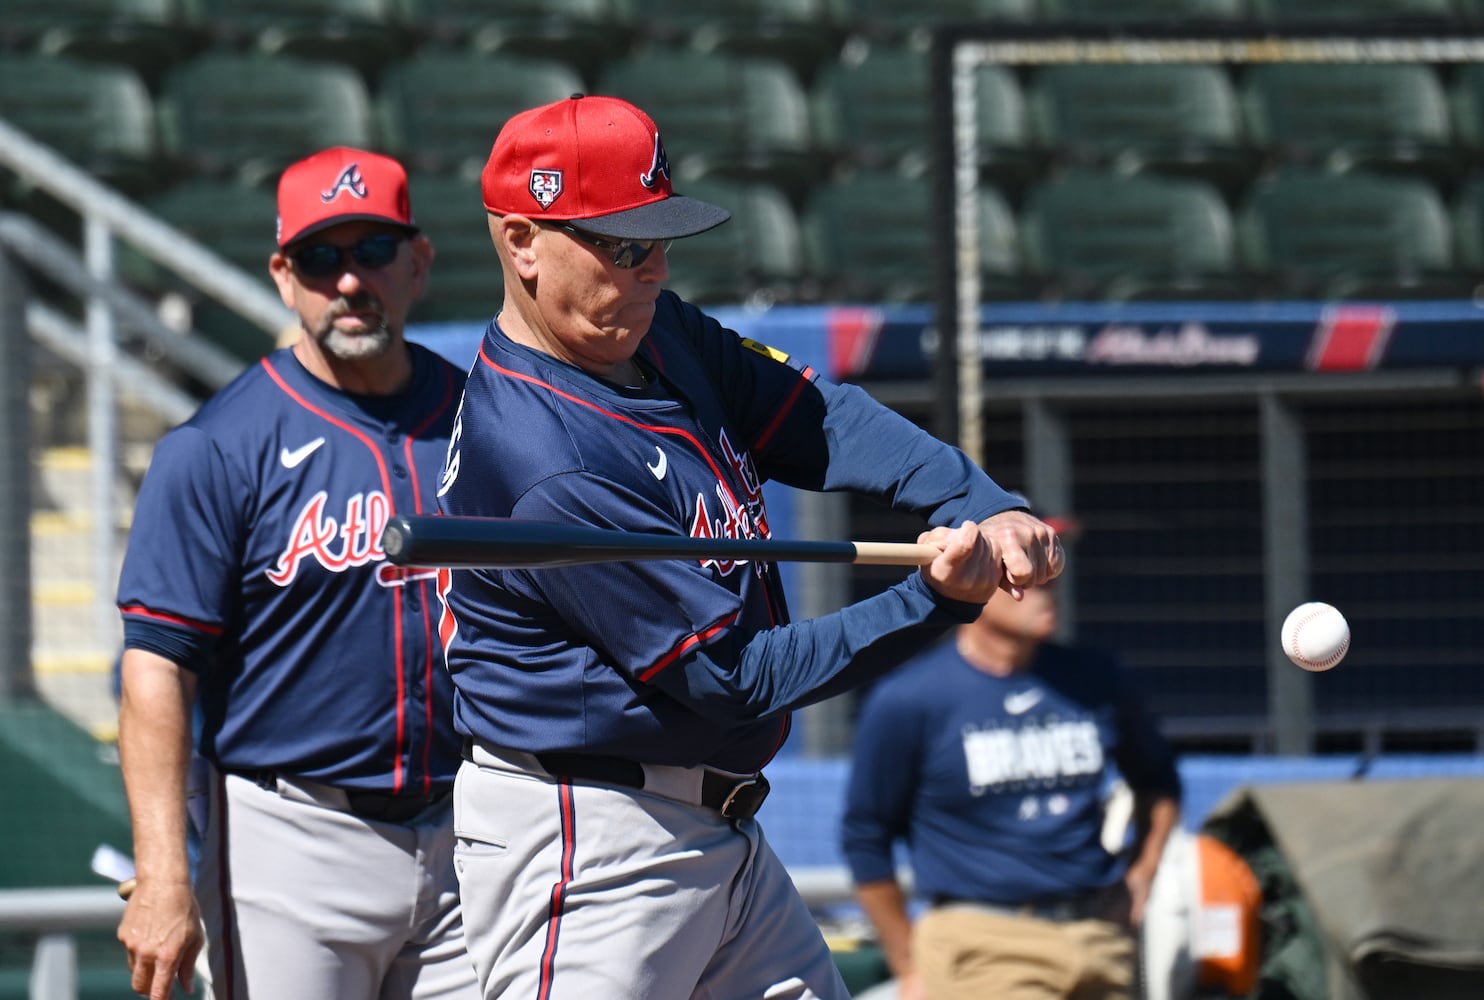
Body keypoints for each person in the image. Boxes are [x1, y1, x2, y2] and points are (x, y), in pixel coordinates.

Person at [435, 93, 1065, 1000]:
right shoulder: (547, 460)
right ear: (523, 242)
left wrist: (981, 500)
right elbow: (735, 682)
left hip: (716, 831)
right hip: (590, 842)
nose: (651, 268)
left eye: (659, 240)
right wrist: (934, 600)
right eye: (620, 245)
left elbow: (819, 418)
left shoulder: (659, 332)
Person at [114, 147, 479, 1000]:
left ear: (417, 263)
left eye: (372, 252)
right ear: (284, 277)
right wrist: (164, 873)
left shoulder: (484, 420)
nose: (349, 281)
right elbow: (155, 666)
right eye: (321, 257)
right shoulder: (217, 446)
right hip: (294, 838)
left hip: (475, 828)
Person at [840, 548, 1183, 1000]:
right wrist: (908, 964)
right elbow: (866, 834)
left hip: (1099, 938)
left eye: (1052, 572)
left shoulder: (1097, 678)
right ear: (978, 583)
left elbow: (1158, 780)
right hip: (984, 944)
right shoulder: (911, 699)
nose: (1049, 586)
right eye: (1030, 575)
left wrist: (1143, 871)